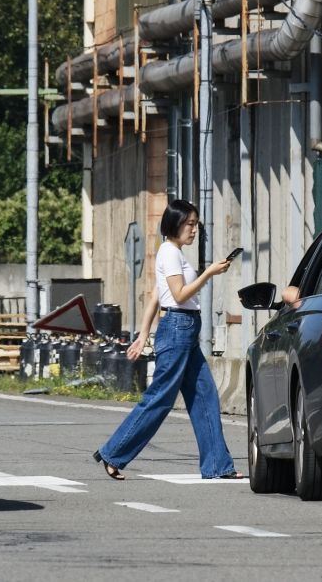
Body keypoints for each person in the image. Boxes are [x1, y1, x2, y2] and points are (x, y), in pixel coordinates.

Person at [92, 200, 243, 480]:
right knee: (160, 398)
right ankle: (113, 453)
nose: (194, 230)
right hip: (177, 328)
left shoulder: (174, 254)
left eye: (196, 224)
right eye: (190, 224)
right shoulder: (169, 252)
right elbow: (180, 294)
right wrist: (209, 273)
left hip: (183, 330)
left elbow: (155, 296)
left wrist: (142, 335)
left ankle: (217, 465)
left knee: (205, 395)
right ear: (174, 223)